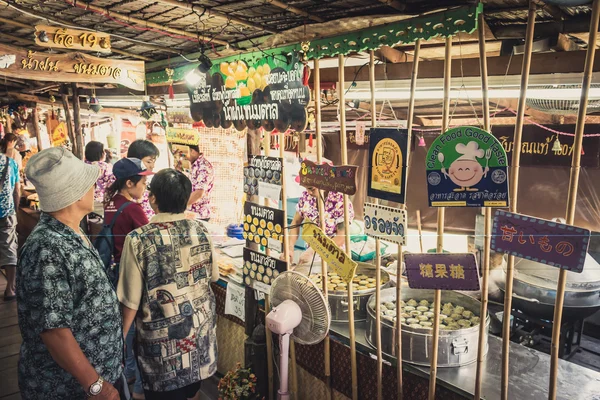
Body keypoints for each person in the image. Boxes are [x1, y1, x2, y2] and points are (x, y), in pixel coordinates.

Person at [17, 147, 123, 400]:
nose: (94, 187)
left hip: (92, 378)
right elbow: (54, 330)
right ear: (73, 194)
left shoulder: (71, 231)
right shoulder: (47, 248)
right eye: (89, 183)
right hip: (68, 388)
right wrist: (94, 384)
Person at [118, 169, 218, 400]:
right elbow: (212, 276)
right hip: (199, 337)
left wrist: (119, 340)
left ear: (153, 198)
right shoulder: (202, 230)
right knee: (193, 392)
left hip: (160, 350)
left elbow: (130, 300)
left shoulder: (138, 239)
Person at [103, 157, 153, 399]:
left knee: (125, 323)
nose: (145, 188)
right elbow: (150, 239)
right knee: (135, 329)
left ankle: (129, 371)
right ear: (130, 183)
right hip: (132, 273)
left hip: (114, 271)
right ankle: (138, 388)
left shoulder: (110, 202)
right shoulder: (133, 208)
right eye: (143, 183)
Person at [288, 186, 355, 265]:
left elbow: (341, 237)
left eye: (312, 189)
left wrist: (313, 251)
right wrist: (290, 247)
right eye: (306, 188)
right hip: (310, 256)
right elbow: (296, 222)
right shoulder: (306, 197)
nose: (309, 192)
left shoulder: (340, 202)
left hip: (334, 258)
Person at [0, 151, 20, 301]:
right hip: (6, 211)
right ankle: (10, 289)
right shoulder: (10, 163)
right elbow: (16, 190)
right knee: (9, 247)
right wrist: (15, 210)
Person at [127, 140, 160, 220]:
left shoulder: (145, 179)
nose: (152, 166)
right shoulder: (128, 183)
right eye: (149, 162)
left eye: (153, 162)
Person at [85, 141, 114, 216]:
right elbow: (112, 184)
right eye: (103, 151)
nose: (105, 153)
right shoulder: (105, 166)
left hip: (85, 201)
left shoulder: (83, 165)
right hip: (100, 202)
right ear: (98, 153)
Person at [187, 145, 214, 221]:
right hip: (190, 213)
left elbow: (198, 193)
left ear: (192, 151)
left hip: (199, 215)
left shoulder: (203, 167)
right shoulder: (192, 165)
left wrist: (179, 207)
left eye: (183, 153)